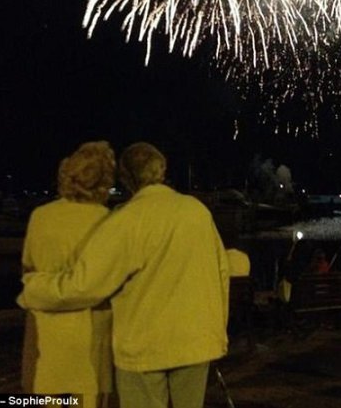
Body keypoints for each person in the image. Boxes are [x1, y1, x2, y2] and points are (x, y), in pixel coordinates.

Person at [19, 142, 229, 408]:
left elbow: (86, 285)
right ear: (162, 171)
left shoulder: (127, 220)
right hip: (196, 341)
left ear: (127, 179)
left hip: (144, 347)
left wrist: (36, 288)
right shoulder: (197, 211)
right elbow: (220, 271)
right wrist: (217, 332)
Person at [21, 141, 115, 408]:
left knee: (45, 389)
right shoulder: (106, 220)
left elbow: (29, 266)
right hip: (90, 324)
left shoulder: (40, 216)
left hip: (46, 322)